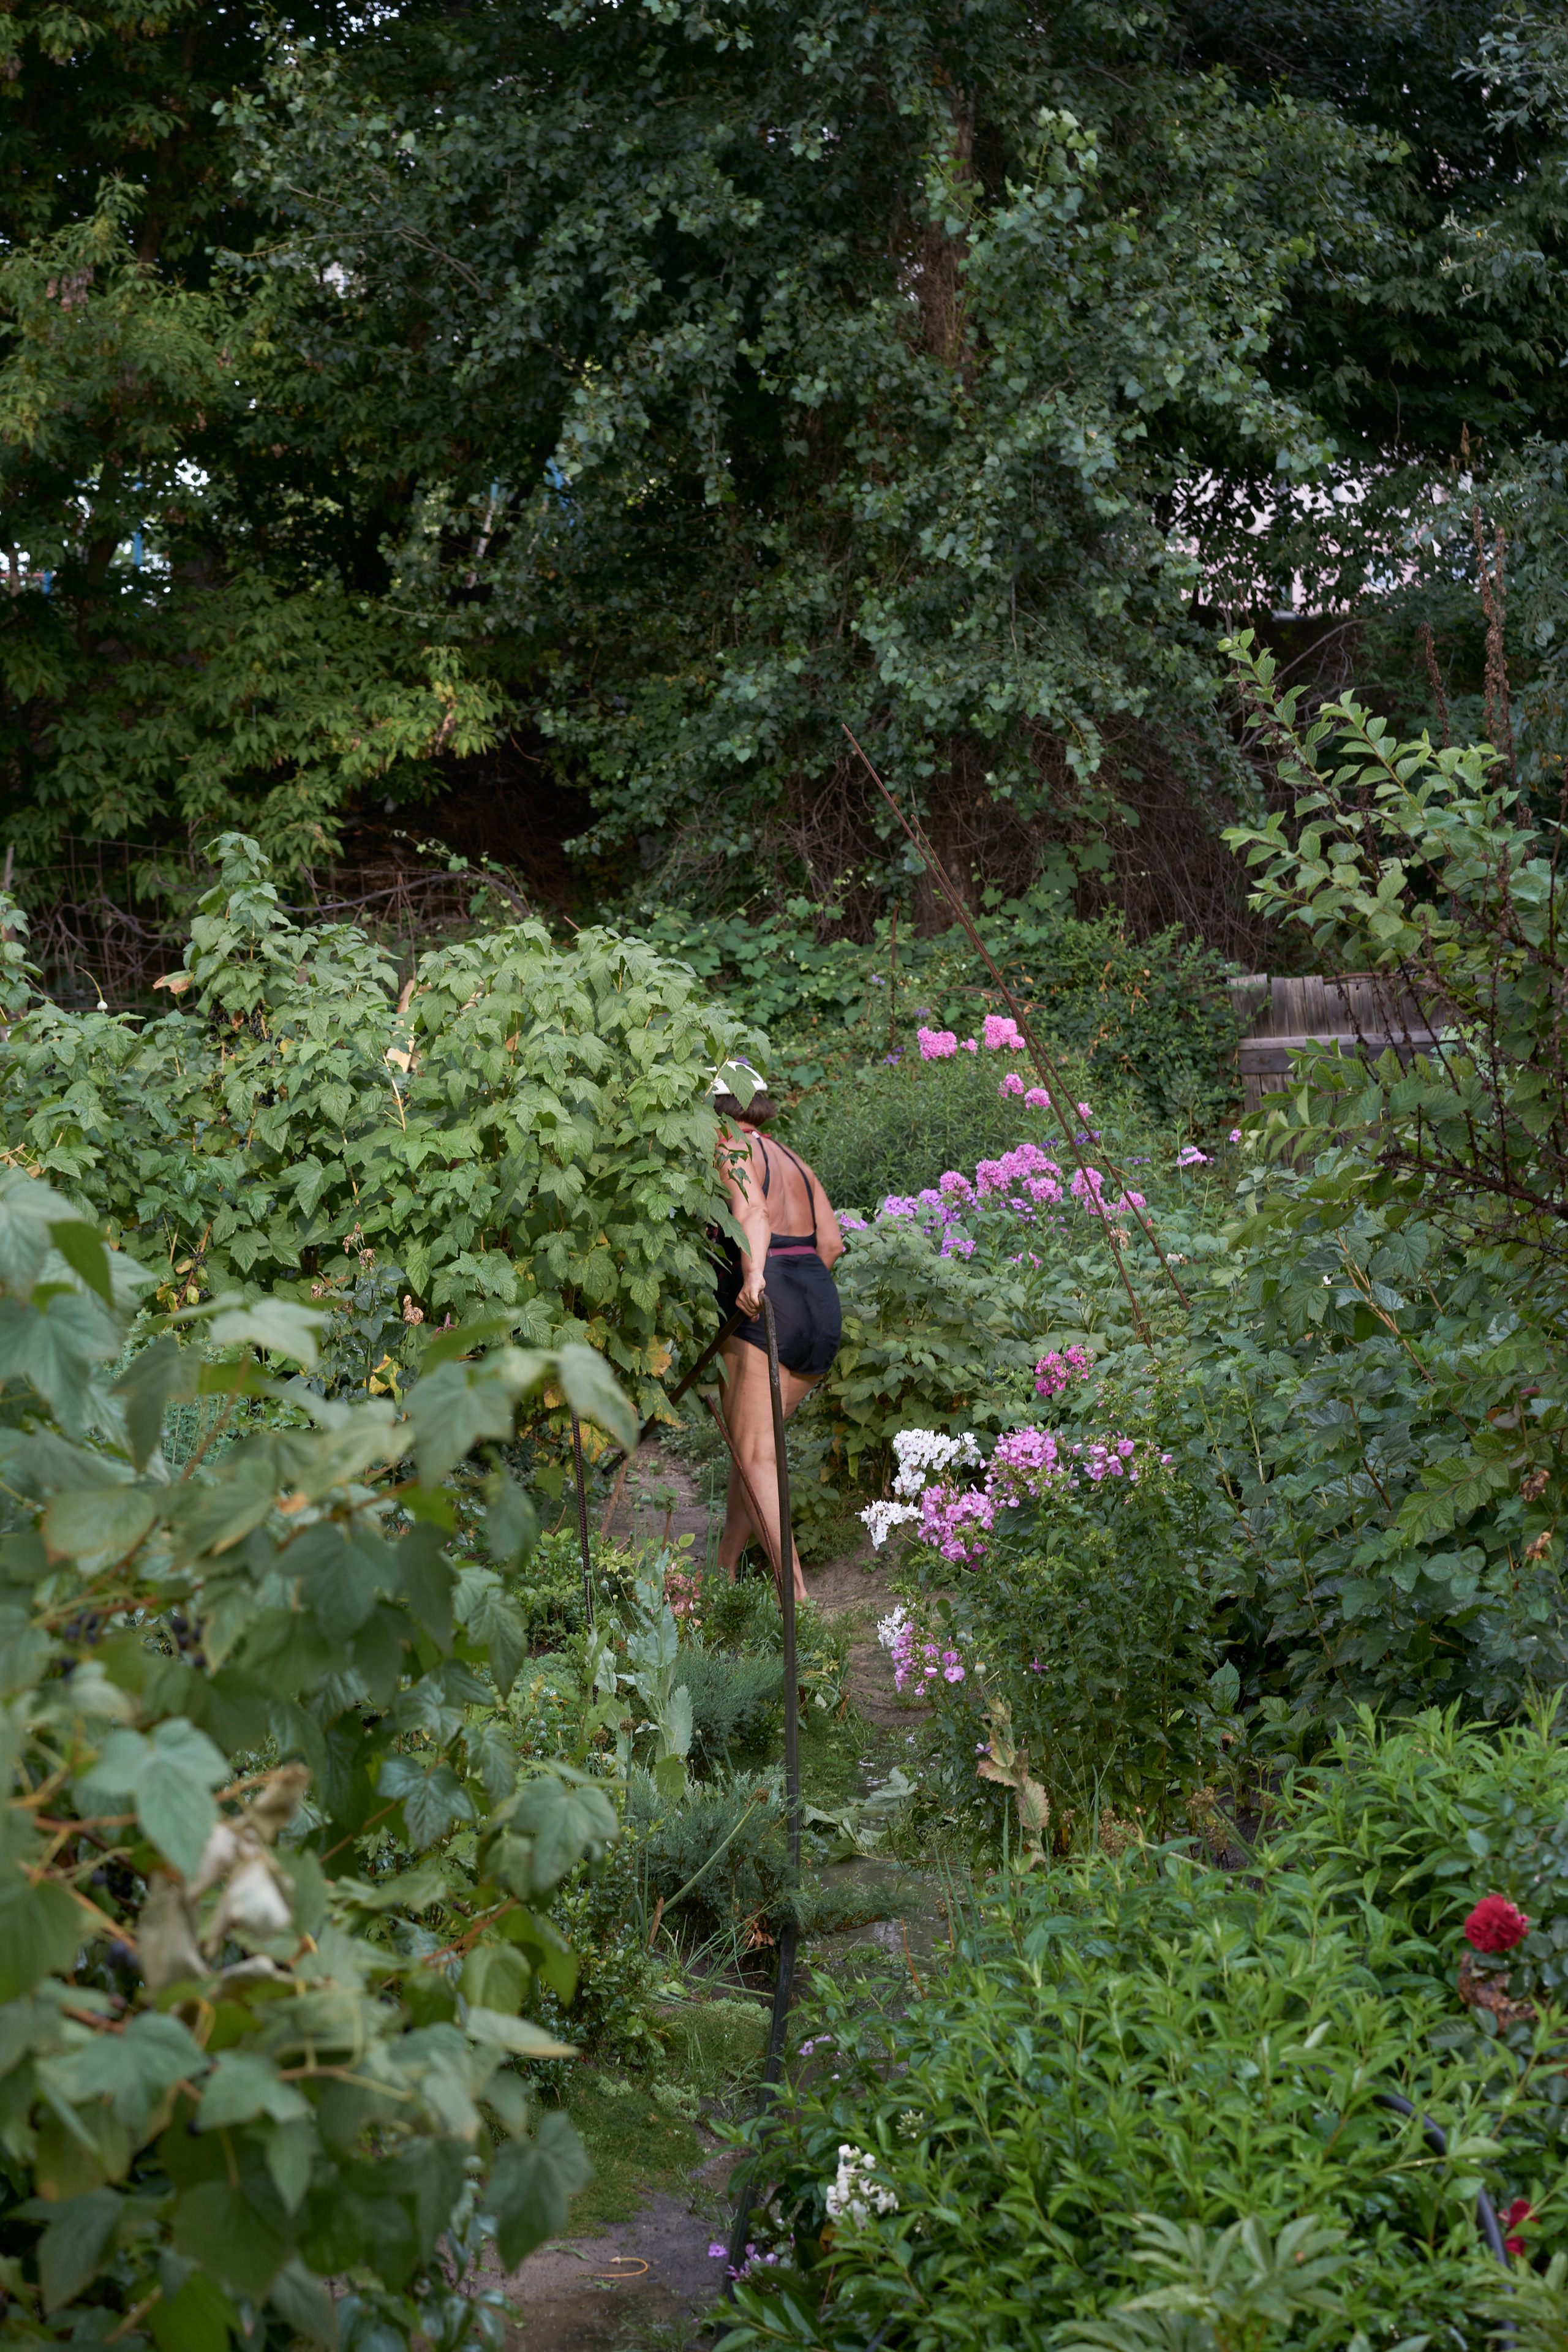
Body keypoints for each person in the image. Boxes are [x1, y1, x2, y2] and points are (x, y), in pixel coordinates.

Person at [710, 1061, 843, 1602]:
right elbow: (832, 1245)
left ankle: (798, 1605)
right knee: (754, 1450)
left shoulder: (727, 1146)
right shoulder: (794, 1160)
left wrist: (755, 1275)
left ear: (714, 1107)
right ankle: (723, 1569)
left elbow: (754, 1213)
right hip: (818, 1305)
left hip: (767, 1308)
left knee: (756, 1455)